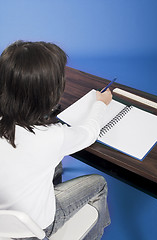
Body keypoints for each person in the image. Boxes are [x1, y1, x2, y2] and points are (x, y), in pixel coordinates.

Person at [0, 41, 112, 240]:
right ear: (51, 94)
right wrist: (100, 104)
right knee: (100, 183)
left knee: (56, 165)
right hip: (37, 228)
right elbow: (89, 132)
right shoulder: (52, 137)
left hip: (5, 223)